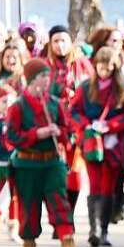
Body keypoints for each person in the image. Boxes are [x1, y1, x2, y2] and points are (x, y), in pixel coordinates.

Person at [4, 58, 82, 247]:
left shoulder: (55, 104)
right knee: (29, 206)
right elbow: (11, 137)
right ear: (31, 80)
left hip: (52, 162)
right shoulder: (18, 107)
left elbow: (70, 133)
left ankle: (68, 244)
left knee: (60, 202)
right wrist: (36, 134)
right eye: (42, 76)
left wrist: (61, 132)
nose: (47, 80)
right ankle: (29, 246)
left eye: (48, 75)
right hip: (27, 164)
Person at [69, 46, 124, 247]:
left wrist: (111, 126)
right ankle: (94, 230)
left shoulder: (123, 86)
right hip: (91, 141)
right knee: (95, 183)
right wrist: (86, 126)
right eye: (100, 67)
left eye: (108, 68)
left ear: (114, 67)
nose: (104, 71)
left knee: (108, 186)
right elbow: (73, 111)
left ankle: (104, 230)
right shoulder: (85, 87)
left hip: (114, 142)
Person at [45, 25, 93, 214]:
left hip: (77, 127)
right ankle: (56, 214)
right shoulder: (45, 66)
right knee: (55, 173)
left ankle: (68, 214)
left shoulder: (82, 65)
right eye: (55, 41)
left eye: (63, 40)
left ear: (70, 42)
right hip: (53, 127)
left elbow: (92, 92)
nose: (60, 45)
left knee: (75, 173)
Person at [0, 83, 16, 238]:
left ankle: (13, 225)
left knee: (13, 196)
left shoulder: (15, 119)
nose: (7, 105)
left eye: (10, 101)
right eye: (3, 101)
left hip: (12, 163)